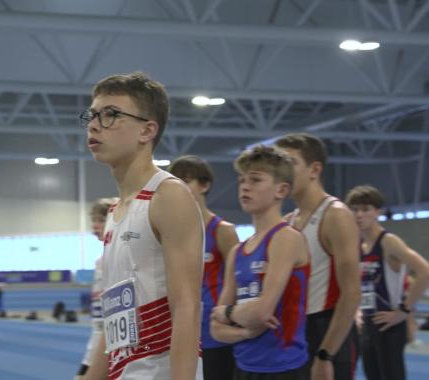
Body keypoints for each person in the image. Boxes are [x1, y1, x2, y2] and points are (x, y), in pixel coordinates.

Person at [81, 72, 203, 380]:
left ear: (147, 131)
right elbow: (114, 321)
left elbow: (187, 308)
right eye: (93, 115)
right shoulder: (115, 211)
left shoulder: (168, 196)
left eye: (111, 115)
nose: (94, 125)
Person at [211, 145, 310, 379]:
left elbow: (263, 311)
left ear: (281, 190)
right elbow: (215, 329)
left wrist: (228, 312)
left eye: (255, 180)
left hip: (284, 367)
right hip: (244, 366)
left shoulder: (286, 237)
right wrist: (245, 332)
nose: (245, 186)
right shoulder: (237, 251)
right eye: (242, 180)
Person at [275, 134, 361, 380]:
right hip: (294, 331)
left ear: (315, 169)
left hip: (326, 331)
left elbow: (351, 292)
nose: (283, 172)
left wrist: (326, 354)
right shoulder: (288, 221)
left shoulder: (335, 215)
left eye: (290, 163)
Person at [344, 185, 429, 380]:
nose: (359, 215)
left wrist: (403, 311)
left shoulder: (388, 242)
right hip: (367, 324)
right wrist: (357, 311)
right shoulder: (359, 245)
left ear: (377, 212)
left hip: (389, 325)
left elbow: (424, 271)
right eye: (355, 209)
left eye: (365, 209)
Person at [169, 155, 239, 380]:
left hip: (214, 337)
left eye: (186, 181)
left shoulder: (223, 231)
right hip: (180, 333)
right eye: (176, 182)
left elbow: (239, 281)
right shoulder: (170, 233)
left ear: (205, 185)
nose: (180, 188)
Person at [76, 197, 118, 380]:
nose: (95, 225)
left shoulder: (116, 259)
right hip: (99, 339)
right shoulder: (101, 261)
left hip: (112, 343)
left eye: (101, 220)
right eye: (93, 220)